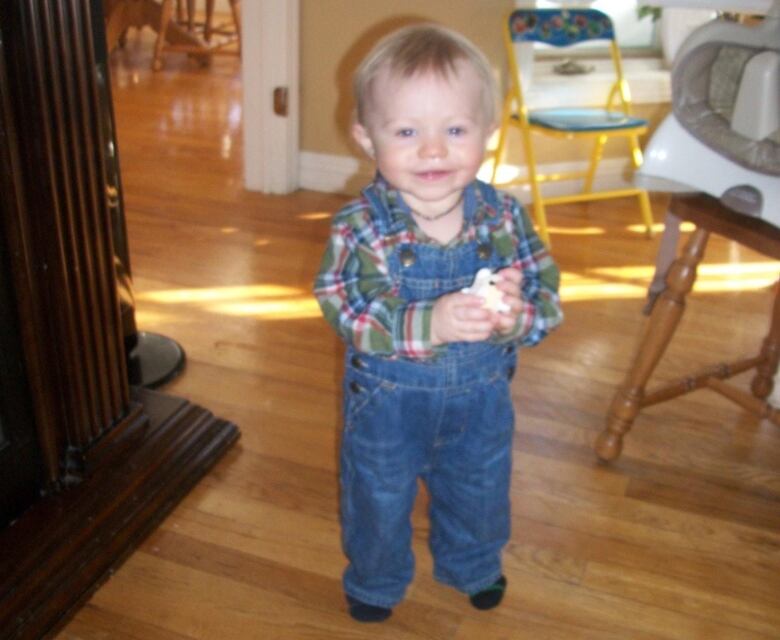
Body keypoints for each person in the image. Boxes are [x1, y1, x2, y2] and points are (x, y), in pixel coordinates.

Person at [313, 23, 562, 623]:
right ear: (366, 139)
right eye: (406, 131)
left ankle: (473, 565)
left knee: (479, 489)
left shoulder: (503, 216)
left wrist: (512, 313)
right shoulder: (360, 226)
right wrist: (431, 323)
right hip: (388, 407)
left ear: (487, 135)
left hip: (481, 402)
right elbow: (345, 306)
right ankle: (375, 581)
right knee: (377, 495)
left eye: (455, 130)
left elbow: (546, 296)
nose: (433, 150)